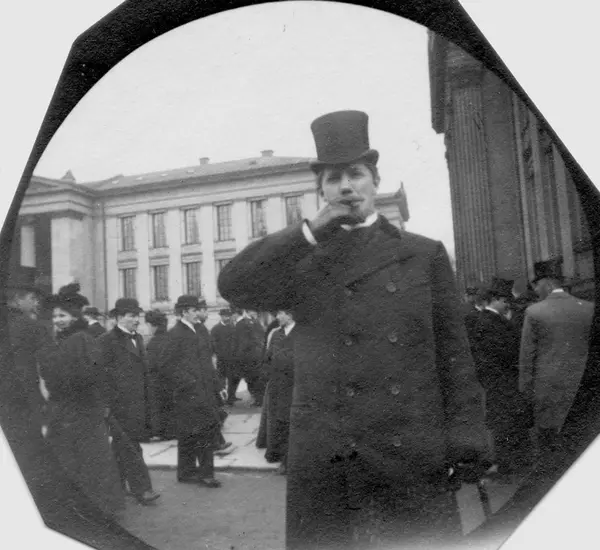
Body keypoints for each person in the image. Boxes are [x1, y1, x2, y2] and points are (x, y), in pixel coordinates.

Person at [218, 110, 490, 549]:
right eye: (333, 179)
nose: (346, 186)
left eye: (356, 174)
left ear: (374, 181)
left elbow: (454, 354)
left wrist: (467, 437)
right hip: (328, 453)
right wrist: (308, 232)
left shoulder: (422, 254)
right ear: (322, 192)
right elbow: (233, 285)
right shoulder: (303, 259)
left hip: (409, 445)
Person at [38, 283, 124, 518]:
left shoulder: (81, 340)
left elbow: (89, 376)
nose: (57, 320)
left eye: (62, 316)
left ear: (74, 317)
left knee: (87, 462)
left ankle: (95, 509)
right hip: (68, 411)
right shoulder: (64, 340)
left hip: (81, 412)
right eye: (55, 316)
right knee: (75, 461)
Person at [519, 259, 594, 454]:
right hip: (583, 389)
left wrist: (525, 392)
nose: (536, 291)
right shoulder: (589, 308)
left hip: (548, 393)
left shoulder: (534, 312)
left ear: (547, 283)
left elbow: (527, 358)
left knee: (549, 448)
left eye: (536, 285)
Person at [97, 298, 160, 505]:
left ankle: (115, 487)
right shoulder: (106, 340)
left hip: (138, 404)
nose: (136, 319)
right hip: (119, 406)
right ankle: (142, 489)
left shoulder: (138, 338)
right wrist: (106, 405)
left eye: (137, 315)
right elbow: (101, 376)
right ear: (118, 318)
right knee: (132, 448)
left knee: (121, 448)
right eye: (131, 315)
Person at [469, 278, 532, 479]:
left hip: (500, 380)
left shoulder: (490, 320)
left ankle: (512, 464)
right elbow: (503, 352)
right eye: (505, 301)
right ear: (494, 300)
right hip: (502, 380)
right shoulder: (489, 322)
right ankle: (509, 466)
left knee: (508, 422)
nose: (507, 305)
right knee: (505, 424)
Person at [159, 295, 222, 488]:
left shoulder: (201, 330)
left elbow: (209, 361)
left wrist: (218, 386)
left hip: (205, 391)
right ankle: (201, 473)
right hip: (188, 393)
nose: (198, 313)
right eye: (194, 310)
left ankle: (190, 472)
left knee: (200, 432)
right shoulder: (175, 334)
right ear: (184, 312)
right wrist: (189, 382)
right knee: (194, 433)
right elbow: (165, 365)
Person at [6, 284, 53, 436]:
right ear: (17, 300)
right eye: (32, 298)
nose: (36, 302)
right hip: (26, 395)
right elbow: (49, 361)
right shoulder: (30, 325)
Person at [263, 310, 296, 474]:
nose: (277, 317)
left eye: (280, 313)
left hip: (296, 386)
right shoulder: (276, 334)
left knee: (294, 423)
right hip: (278, 386)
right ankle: (285, 461)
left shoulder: (301, 334)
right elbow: (267, 357)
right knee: (281, 423)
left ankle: (293, 461)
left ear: (290, 315)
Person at [145, 309, 174, 440]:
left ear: (153, 325)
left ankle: (159, 431)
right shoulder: (171, 338)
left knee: (158, 407)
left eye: (148, 325)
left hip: (157, 381)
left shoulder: (153, 343)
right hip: (171, 380)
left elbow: (151, 365)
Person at [230, 308, 264, 406]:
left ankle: (258, 399)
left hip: (256, 356)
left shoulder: (255, 323)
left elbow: (261, 337)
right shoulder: (243, 324)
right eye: (253, 311)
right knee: (251, 379)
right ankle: (257, 398)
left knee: (255, 378)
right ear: (248, 312)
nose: (255, 313)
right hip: (249, 357)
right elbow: (241, 342)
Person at [210, 308, 235, 392]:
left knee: (232, 378)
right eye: (225, 316)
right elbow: (212, 343)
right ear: (221, 316)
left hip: (232, 358)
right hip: (221, 359)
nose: (227, 318)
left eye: (229, 316)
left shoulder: (233, 327)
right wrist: (216, 354)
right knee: (221, 378)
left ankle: (231, 396)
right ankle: (223, 395)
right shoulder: (215, 329)